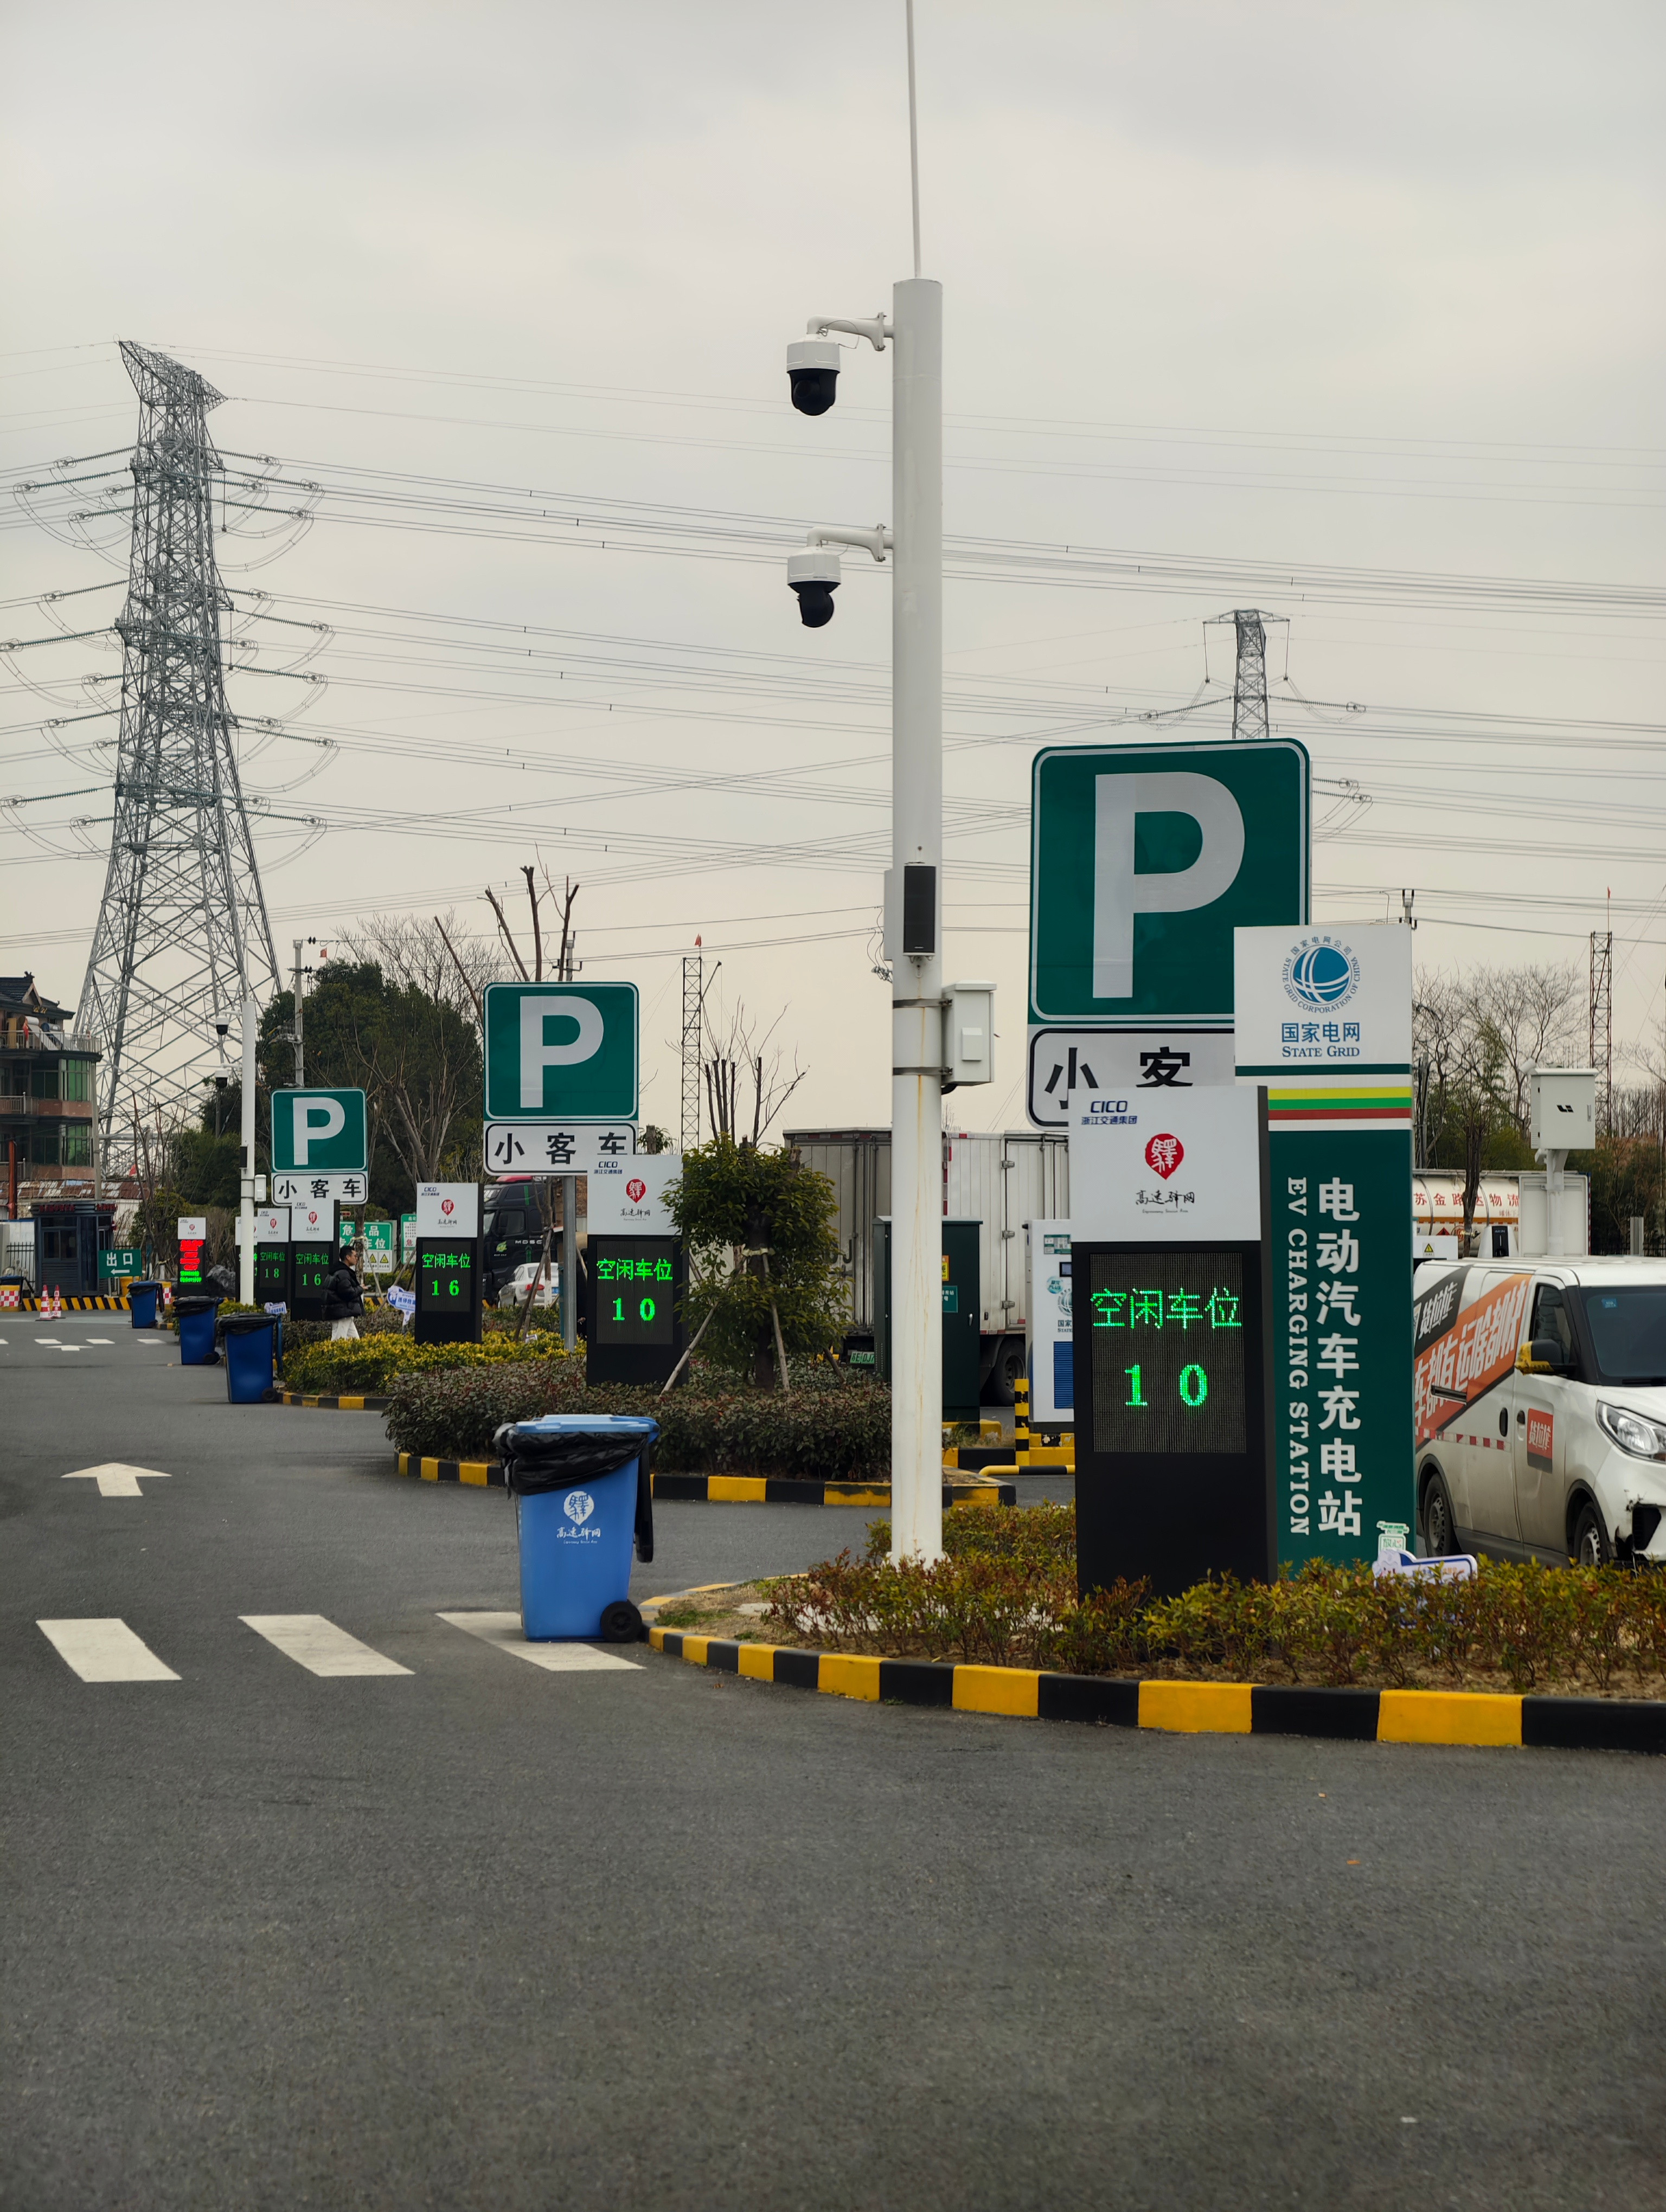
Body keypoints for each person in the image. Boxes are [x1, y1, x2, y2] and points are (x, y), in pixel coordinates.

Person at [324, 1248, 364, 1340]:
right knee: (338, 1341)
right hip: (342, 1314)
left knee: (355, 1342)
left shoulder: (337, 1271)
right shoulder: (343, 1273)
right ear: (348, 1257)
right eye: (355, 1256)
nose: (357, 1258)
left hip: (344, 1313)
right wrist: (360, 1289)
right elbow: (347, 1293)